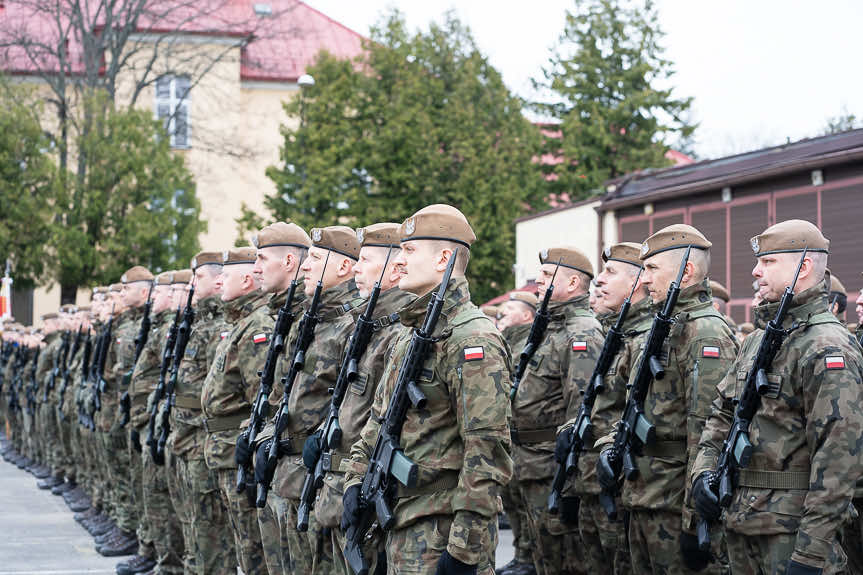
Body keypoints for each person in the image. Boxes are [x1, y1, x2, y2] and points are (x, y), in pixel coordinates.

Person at [344, 204, 512, 575]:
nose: (399, 261)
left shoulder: (473, 339)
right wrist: (356, 480)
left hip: (441, 533)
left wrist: (464, 550)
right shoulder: (411, 333)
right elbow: (378, 420)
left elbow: (486, 452)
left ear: (444, 259)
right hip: (402, 525)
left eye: (409, 250)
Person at [691, 219, 863, 575]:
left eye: (769, 262)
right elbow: (721, 414)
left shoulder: (826, 345)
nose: (756, 271)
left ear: (802, 267)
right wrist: (703, 471)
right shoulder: (758, 340)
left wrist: (811, 555)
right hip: (741, 522)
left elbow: (838, 459)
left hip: (792, 534)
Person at [596, 224, 738, 575]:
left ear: (686, 272)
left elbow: (707, 431)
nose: (644, 280)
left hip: (674, 506)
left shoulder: (704, 332)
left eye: (653, 268)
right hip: (644, 495)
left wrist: (694, 522)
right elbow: (632, 406)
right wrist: (609, 445)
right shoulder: (664, 327)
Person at [261, 225, 363, 575]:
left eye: (316, 258)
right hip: (290, 471)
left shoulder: (353, 325)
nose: (305, 266)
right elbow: (282, 394)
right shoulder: (313, 320)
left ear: (345, 268)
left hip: (323, 476)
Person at [319, 222, 415, 575]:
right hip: (346, 479)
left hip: (375, 489)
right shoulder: (368, 326)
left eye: (366, 260)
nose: (357, 268)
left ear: (393, 266)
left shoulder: (399, 332)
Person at [510, 245, 603, 575]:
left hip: (554, 467)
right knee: (544, 558)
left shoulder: (581, 332)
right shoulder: (552, 328)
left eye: (548, 275)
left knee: (566, 559)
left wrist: (569, 479)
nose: (538, 280)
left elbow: (581, 410)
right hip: (532, 463)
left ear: (574, 283)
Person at [560, 242, 650, 575]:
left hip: (625, 482)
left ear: (637, 279)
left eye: (610, 272)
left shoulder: (645, 337)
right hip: (593, 479)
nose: (599, 281)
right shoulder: (616, 333)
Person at [163, 252, 237, 575]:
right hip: (187, 437)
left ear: (218, 279)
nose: (193, 285)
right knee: (193, 524)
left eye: (199, 278)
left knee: (210, 533)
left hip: (205, 440)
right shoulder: (198, 323)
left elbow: (219, 395)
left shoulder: (221, 326)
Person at [201, 247, 271, 575]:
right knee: (237, 541)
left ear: (245, 280)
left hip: (236, 449)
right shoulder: (240, 322)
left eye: (224, 276)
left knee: (250, 546)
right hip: (223, 448)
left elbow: (261, 399)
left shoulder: (257, 325)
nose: (218, 284)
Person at [496, 291, 539, 575]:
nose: (501, 316)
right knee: (513, 502)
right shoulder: (505, 343)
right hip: (511, 437)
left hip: (530, 441)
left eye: (508, 310)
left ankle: (528, 557)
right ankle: (521, 554)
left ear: (526, 316)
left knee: (526, 507)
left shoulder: (529, 343)